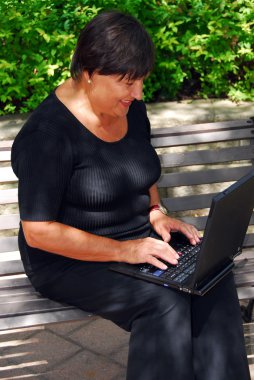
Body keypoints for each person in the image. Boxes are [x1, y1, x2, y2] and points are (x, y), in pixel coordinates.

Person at [11, 10, 250, 380]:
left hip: (135, 238)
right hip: (65, 260)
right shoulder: (47, 137)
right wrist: (127, 250)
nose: (138, 94)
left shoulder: (130, 109)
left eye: (140, 81)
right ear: (89, 73)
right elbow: (38, 231)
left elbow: (140, 167)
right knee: (164, 302)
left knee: (212, 277)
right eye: (127, 82)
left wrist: (156, 212)